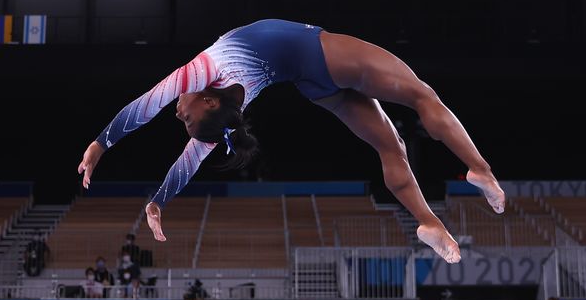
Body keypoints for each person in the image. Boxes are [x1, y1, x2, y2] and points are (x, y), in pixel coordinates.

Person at [78, 19, 506, 264]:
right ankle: (480, 169)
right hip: (321, 55)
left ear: (210, 103)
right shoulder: (203, 74)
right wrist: (100, 145)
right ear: (207, 103)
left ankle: (430, 223)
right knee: (421, 94)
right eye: (185, 117)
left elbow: (181, 149)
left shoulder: (215, 101)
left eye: (183, 116)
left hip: (312, 84)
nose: (177, 110)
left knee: (390, 146)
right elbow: (147, 108)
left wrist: (156, 200)